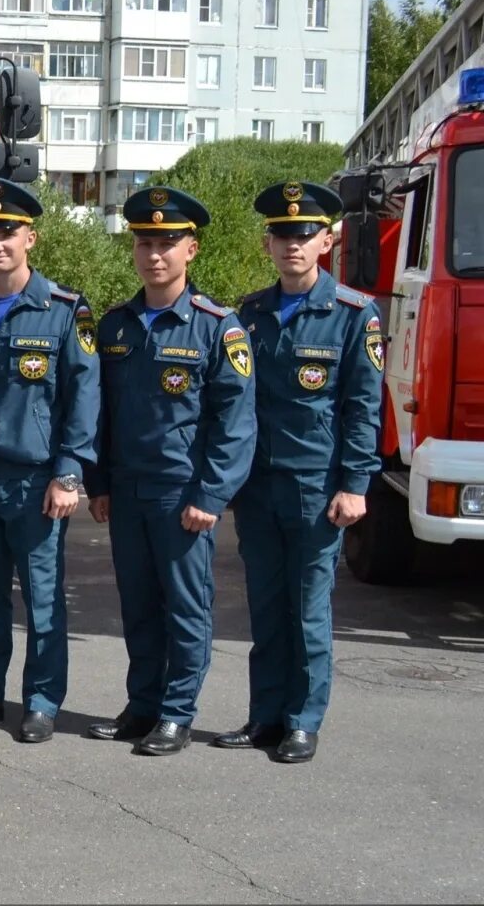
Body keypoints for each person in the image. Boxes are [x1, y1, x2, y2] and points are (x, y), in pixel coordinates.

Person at [86, 185, 256, 756]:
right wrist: (101, 482)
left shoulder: (217, 327)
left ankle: (177, 713)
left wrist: (210, 493)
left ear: (193, 250)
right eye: (144, 243)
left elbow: (236, 422)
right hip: (128, 491)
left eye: (167, 242)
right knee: (137, 605)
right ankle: (143, 705)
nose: (154, 254)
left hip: (182, 494)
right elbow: (103, 415)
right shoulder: (114, 325)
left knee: (185, 607)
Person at [216, 181, 382, 764]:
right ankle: (265, 716)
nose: (293, 244)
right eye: (283, 234)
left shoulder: (354, 315)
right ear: (268, 242)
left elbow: (363, 408)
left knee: (309, 610)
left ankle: (303, 721)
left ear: (328, 240)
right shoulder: (250, 314)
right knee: (264, 606)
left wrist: (356, 484)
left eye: (304, 234)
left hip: (317, 488)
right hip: (259, 488)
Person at [0, 178, 99, 745]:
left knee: (42, 600)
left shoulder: (64, 310)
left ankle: (41, 701)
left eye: (7, 231)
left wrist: (68, 473)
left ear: (29, 237)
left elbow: (84, 398)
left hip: (37, 481)